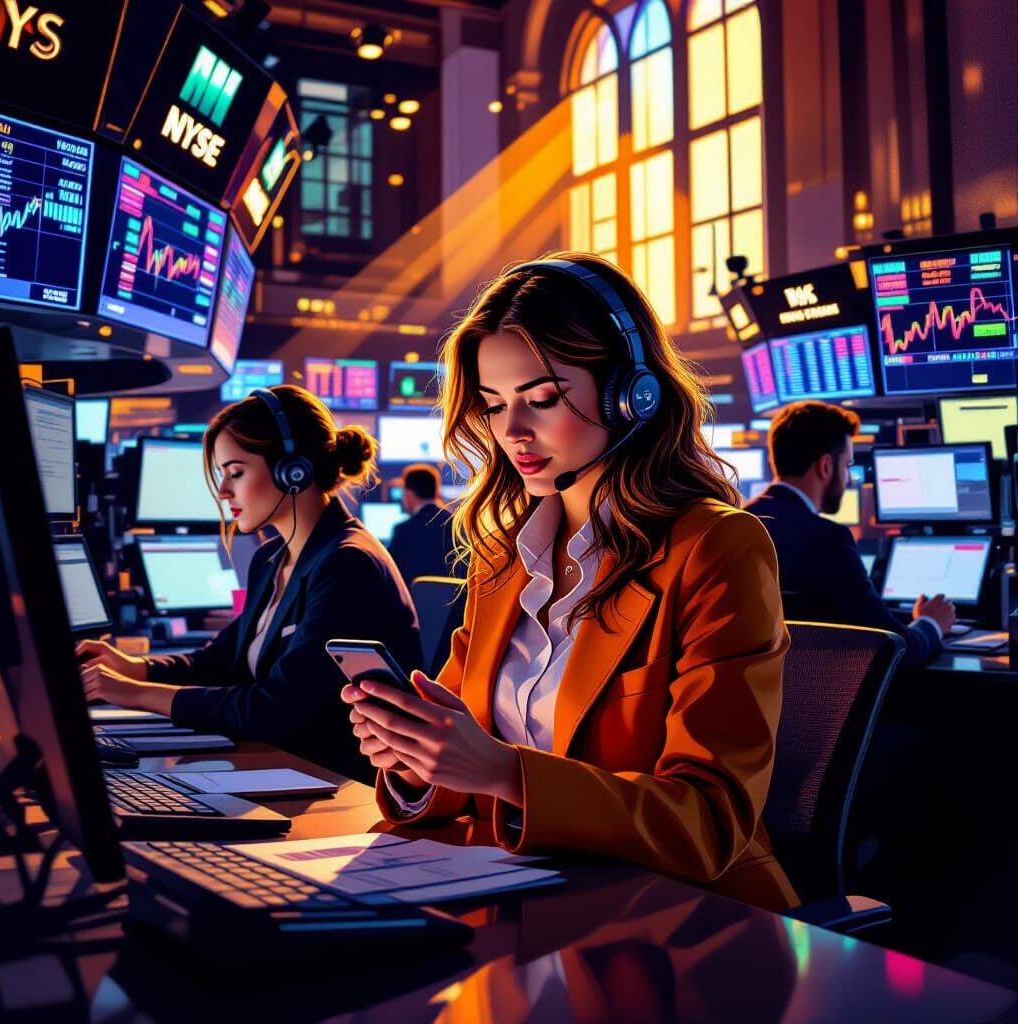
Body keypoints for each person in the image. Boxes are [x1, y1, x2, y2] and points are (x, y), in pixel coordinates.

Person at [341, 252, 798, 912]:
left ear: (631, 394)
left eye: (543, 399)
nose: (512, 433)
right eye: (495, 406)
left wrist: (504, 772)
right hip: (527, 898)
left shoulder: (715, 547)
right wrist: (415, 759)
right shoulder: (504, 559)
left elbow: (711, 819)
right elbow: (461, 774)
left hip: (680, 922)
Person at [80, 385, 421, 781]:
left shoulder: (347, 564)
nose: (224, 491)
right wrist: (134, 668)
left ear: (293, 471)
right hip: (286, 767)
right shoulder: (272, 558)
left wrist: (132, 693)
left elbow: (273, 709)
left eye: (236, 472)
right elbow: (219, 662)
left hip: (336, 784)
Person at [744, 400, 955, 665]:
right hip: (820, 698)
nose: (850, 479)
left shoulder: (740, 523)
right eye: (848, 465)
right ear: (826, 466)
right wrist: (931, 622)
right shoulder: (826, 540)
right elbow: (896, 648)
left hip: (763, 697)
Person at [388, 463, 459, 584]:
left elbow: (392, 575)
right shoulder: (456, 524)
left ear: (409, 494)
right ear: (436, 491)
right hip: (454, 601)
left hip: (415, 601)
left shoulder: (403, 531)